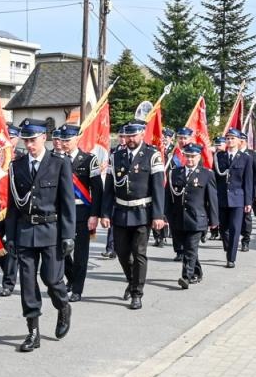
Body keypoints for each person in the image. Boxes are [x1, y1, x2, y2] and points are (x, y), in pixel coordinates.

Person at [4, 119, 74, 351]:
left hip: (51, 230)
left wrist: (68, 235)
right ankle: (33, 331)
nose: (29, 145)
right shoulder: (17, 166)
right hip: (25, 230)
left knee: (52, 279)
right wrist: (10, 236)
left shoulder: (59, 163)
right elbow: (13, 205)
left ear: (44, 137)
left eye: (33, 140)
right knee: (27, 282)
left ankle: (63, 306)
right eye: (26, 140)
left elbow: (67, 202)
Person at [92, 120, 166, 309]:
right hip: (120, 212)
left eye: (134, 135)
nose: (130, 139)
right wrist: (105, 213)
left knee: (139, 253)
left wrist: (158, 215)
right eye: (127, 135)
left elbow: (158, 188)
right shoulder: (116, 156)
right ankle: (132, 280)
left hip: (142, 212)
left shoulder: (152, 155)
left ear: (142, 134)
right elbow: (109, 188)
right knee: (122, 252)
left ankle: (136, 293)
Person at [53, 123, 98, 301]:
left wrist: (94, 214)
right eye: (62, 140)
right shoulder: (54, 159)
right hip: (60, 212)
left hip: (81, 211)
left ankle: (77, 289)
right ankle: (71, 278)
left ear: (77, 139)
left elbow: (97, 190)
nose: (64, 143)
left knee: (80, 254)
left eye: (68, 140)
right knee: (60, 251)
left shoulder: (88, 160)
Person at [166, 139, 219, 285]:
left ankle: (186, 276)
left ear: (199, 157)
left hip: (197, 219)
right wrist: (166, 215)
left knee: (190, 247)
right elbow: (168, 196)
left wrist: (214, 220)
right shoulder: (174, 173)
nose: (190, 159)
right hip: (178, 218)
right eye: (187, 156)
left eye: (193, 156)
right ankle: (197, 272)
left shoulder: (206, 174)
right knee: (187, 248)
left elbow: (212, 199)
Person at [213, 129, 256, 268]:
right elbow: (214, 179)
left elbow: (248, 181)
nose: (230, 141)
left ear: (238, 141)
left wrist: (248, 202)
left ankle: (231, 258)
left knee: (235, 228)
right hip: (222, 198)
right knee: (223, 228)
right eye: (227, 138)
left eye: (232, 138)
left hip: (238, 199)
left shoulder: (246, 158)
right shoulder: (219, 157)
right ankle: (229, 246)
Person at [0, 123, 20, 297]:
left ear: (17, 139)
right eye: (6, 137)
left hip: (14, 209)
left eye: (11, 137)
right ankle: (9, 268)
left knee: (11, 244)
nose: (9, 141)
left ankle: (8, 283)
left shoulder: (21, 159)